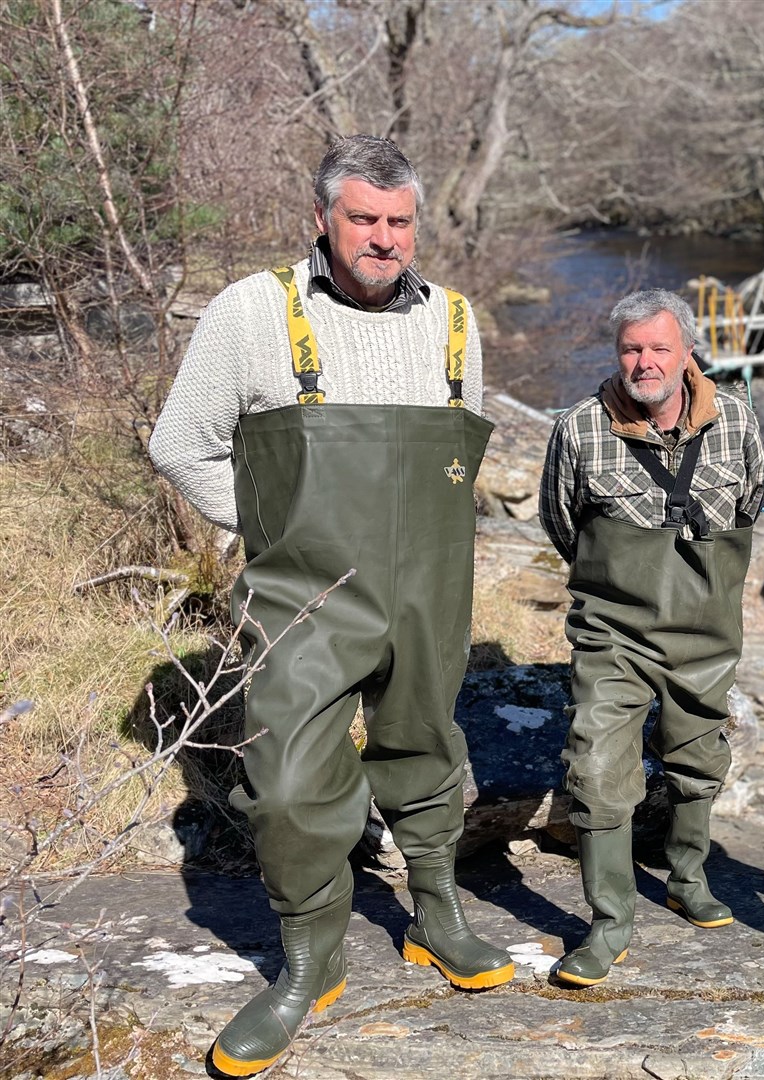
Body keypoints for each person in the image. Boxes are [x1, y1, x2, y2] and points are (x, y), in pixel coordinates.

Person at [150, 135, 512, 1077]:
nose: (384, 239)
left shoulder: (459, 323)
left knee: (427, 745)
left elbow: (457, 462)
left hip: (429, 583)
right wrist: (272, 529)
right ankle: (310, 958)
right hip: (304, 589)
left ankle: (436, 914)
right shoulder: (254, 311)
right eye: (363, 219)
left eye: (399, 222)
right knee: (283, 772)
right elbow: (181, 443)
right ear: (322, 219)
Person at [539, 289, 764, 986]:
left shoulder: (739, 422)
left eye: (659, 348)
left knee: (700, 760)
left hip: (705, 632)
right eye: (632, 349)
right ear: (618, 355)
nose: (644, 362)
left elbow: (750, 502)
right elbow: (561, 525)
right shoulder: (579, 428)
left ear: (687, 352)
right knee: (598, 770)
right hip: (613, 635)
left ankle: (687, 877)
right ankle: (608, 925)